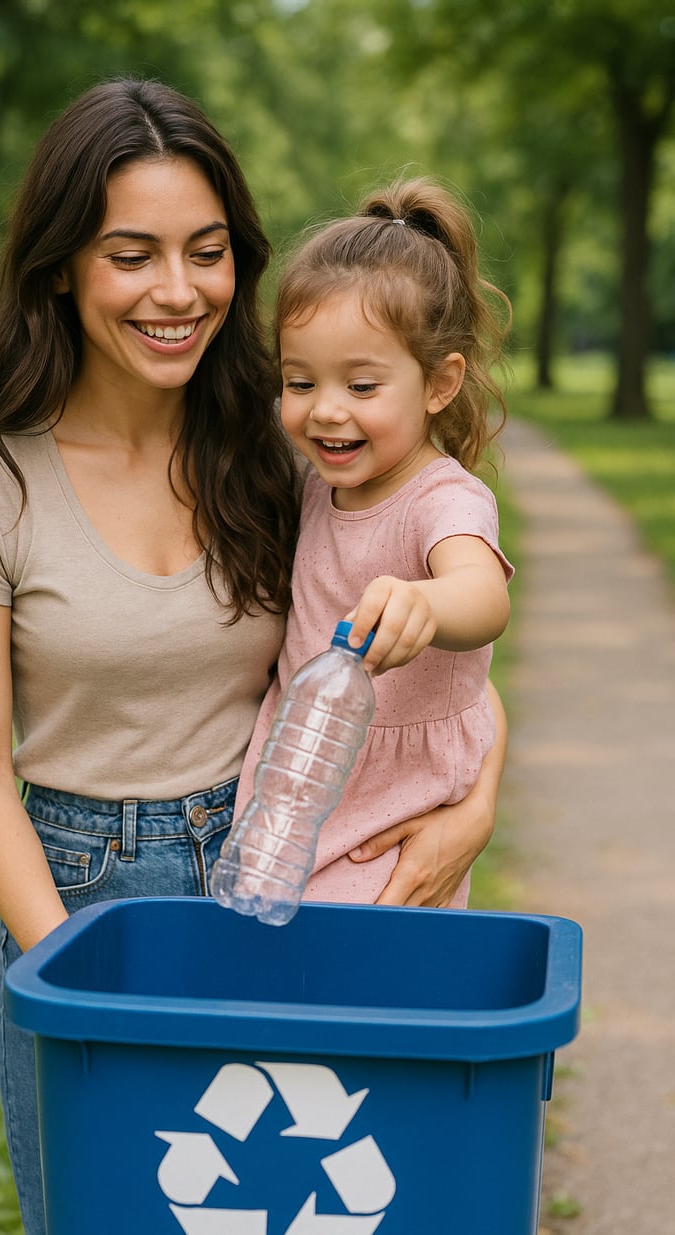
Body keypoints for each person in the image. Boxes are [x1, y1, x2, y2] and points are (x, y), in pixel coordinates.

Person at [0, 81, 506, 1234]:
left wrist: (473, 803)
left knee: (285, 1207)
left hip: (281, 851)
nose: (177, 291)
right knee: (113, 1209)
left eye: (208, 251)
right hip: (85, 889)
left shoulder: (282, 443)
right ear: (62, 267)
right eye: (132, 254)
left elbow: (436, 627)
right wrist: (67, 969)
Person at [233, 176, 514, 908]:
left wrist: (426, 601)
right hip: (300, 785)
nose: (325, 411)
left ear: (440, 383)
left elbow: (482, 594)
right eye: (299, 381)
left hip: (386, 822)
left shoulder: (443, 498)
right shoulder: (318, 481)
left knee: (360, 1000)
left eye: (362, 387)